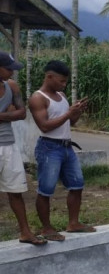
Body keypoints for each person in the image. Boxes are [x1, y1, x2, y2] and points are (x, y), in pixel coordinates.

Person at [28, 60, 94, 241]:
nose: (63, 85)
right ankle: (46, 228)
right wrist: (68, 113)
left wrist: (77, 112)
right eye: (61, 81)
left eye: (65, 82)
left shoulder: (62, 95)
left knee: (77, 184)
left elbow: (70, 123)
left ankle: (73, 223)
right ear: (49, 77)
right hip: (49, 147)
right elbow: (44, 126)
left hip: (66, 146)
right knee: (46, 189)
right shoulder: (38, 98)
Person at [0, 52, 47, 245]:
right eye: (8, 68)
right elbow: (15, 112)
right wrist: (8, 112)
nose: (12, 72)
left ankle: (26, 233)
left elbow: (22, 113)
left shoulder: (11, 86)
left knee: (16, 191)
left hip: (9, 145)